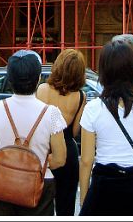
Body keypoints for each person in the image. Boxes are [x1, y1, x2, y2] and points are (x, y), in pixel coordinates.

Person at [79, 35, 133, 216]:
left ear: (104, 71)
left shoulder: (93, 108)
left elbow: (86, 160)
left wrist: (84, 198)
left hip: (103, 186)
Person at [0, 49, 67, 216]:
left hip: (2, 182)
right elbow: (60, 159)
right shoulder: (51, 113)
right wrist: (39, 160)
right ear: (38, 79)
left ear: (10, 79)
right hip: (40, 185)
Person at [36, 49, 87, 216]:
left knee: (39, 202)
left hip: (43, 149)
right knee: (66, 206)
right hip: (67, 151)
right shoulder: (81, 96)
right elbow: (74, 131)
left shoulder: (42, 89)